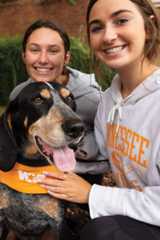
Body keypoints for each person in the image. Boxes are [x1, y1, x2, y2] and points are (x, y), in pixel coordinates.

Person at [39, 0, 160, 239]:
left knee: (100, 231)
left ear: (148, 27)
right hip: (138, 213)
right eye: (97, 27)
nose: (108, 35)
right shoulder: (109, 100)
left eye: (121, 20)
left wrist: (92, 195)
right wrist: (59, 167)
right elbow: (106, 158)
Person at [9, 19, 108, 175]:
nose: (42, 59)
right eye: (34, 50)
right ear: (24, 56)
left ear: (67, 57)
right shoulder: (19, 94)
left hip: (83, 177)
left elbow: (115, 147)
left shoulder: (93, 99)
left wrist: (75, 146)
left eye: (53, 51)